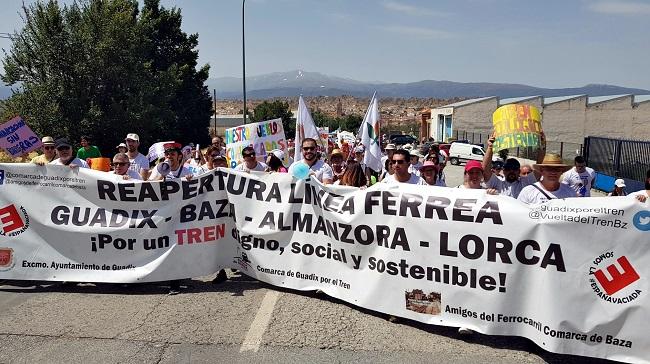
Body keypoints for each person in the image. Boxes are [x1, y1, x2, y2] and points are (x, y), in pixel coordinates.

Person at [481, 134, 545, 199]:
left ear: (519, 171)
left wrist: (542, 145)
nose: (511, 171)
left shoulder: (526, 182)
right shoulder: (497, 183)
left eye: (514, 168)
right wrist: (490, 147)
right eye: (508, 168)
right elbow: (485, 169)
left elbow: (539, 167)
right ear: (503, 171)